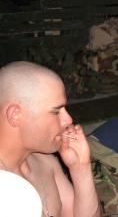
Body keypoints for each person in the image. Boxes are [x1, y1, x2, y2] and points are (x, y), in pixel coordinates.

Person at [0, 61, 101, 217]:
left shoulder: (46, 162)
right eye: (56, 112)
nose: (68, 120)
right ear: (15, 115)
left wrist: (80, 168)